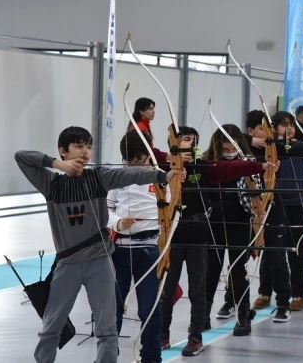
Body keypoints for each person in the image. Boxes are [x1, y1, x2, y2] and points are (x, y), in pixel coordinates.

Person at [14, 126, 182, 363]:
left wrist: (164, 176)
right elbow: (21, 157)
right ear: (63, 151)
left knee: (107, 328)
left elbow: (132, 175)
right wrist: (57, 164)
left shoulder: (99, 177)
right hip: (68, 264)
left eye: (89, 146)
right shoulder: (51, 184)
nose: (85, 152)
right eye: (78, 146)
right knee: (52, 325)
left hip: (99, 262)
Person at [160, 126, 271, 356]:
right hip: (176, 232)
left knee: (205, 284)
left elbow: (230, 168)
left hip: (206, 228)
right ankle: (162, 335)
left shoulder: (204, 167)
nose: (190, 144)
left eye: (193, 140)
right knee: (168, 288)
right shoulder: (164, 168)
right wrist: (171, 164)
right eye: (185, 139)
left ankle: (201, 334)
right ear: (173, 143)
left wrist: (259, 166)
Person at [248, 110, 303, 320]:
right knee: (270, 250)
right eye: (284, 125)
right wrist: (253, 140)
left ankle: (298, 294)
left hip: (296, 204)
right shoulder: (268, 147)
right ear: (274, 129)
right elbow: (240, 141)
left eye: (291, 124)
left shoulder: (296, 145)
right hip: (273, 202)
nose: (290, 128)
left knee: (297, 249)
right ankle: (265, 292)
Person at [107, 131, 172, 363]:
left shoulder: (159, 177)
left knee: (149, 308)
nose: (133, 165)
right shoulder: (116, 177)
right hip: (120, 250)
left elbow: (170, 209)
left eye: (138, 160)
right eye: (128, 161)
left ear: (148, 155)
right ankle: (107, 355)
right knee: (113, 307)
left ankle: (151, 358)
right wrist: (118, 222)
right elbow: (107, 209)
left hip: (149, 249)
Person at [202, 124, 267, 337]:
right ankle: (202, 316)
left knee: (239, 269)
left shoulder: (249, 163)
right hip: (214, 220)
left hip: (239, 219)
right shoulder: (207, 162)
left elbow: (256, 195)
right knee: (211, 269)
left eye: (233, 150)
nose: (229, 154)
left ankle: (242, 316)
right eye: (225, 150)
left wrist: (257, 208)